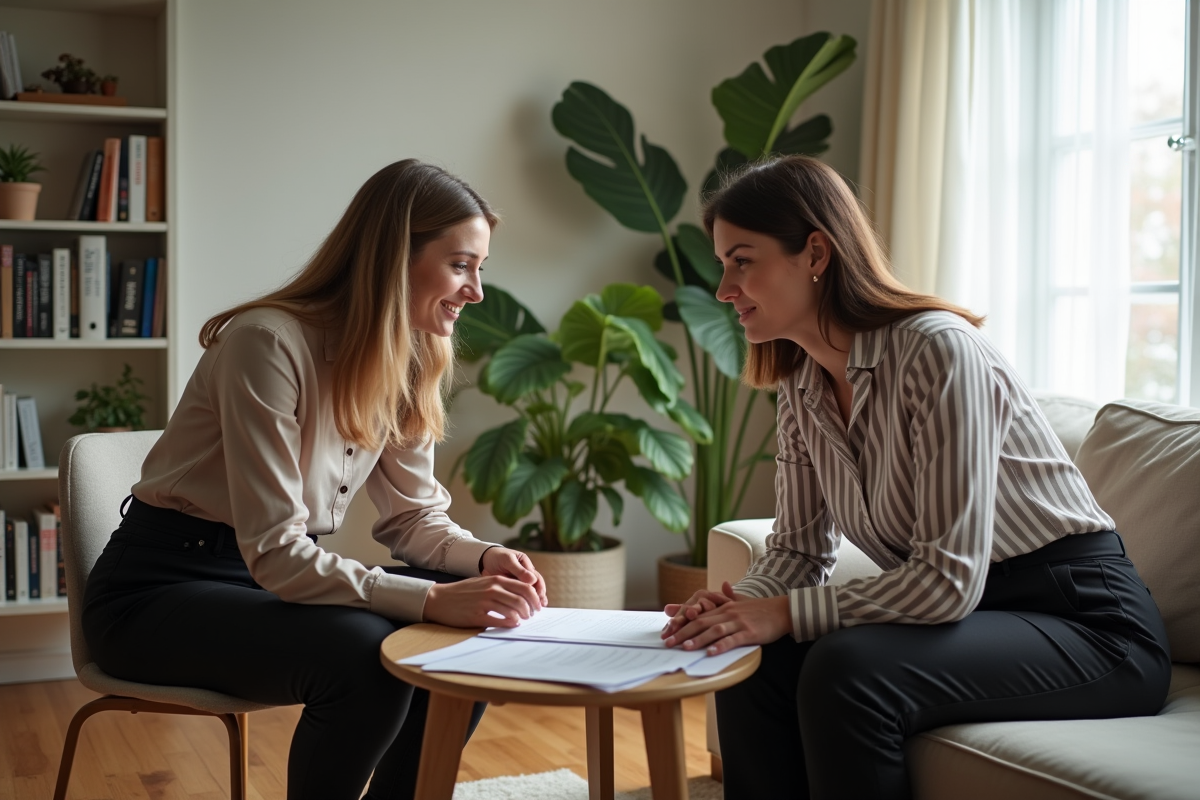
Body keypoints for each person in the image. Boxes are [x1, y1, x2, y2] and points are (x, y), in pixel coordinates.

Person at [660, 155, 1171, 799]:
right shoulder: (801, 384)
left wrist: (784, 612)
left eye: (743, 260)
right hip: (972, 616)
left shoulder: (939, 350)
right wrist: (740, 611)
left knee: (846, 669)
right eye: (722, 266)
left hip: (1087, 623)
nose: (725, 289)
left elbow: (948, 579)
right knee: (753, 662)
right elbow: (796, 549)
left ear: (815, 252)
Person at [82, 159, 549, 800]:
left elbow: (414, 521)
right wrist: (433, 599)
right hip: (158, 593)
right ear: (392, 259)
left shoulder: (409, 358)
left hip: (270, 589)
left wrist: (487, 558)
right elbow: (276, 551)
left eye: (479, 268)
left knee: (468, 621)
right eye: (461, 264)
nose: (476, 292)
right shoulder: (265, 344)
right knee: (365, 655)